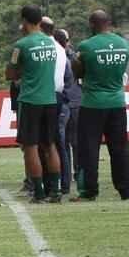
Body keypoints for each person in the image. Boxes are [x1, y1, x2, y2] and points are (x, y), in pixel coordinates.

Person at [72, 10, 129, 202]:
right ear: (109, 23)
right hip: (117, 101)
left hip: (92, 103)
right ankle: (125, 190)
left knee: (89, 149)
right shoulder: (124, 45)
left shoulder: (86, 46)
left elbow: (78, 72)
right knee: (120, 148)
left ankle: (89, 191)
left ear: (92, 24)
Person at [5, 6, 61, 203]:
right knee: (50, 146)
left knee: (30, 147)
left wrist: (22, 71)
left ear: (24, 21)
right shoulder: (51, 43)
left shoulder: (21, 45)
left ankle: (37, 192)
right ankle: (55, 191)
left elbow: (10, 74)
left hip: (30, 100)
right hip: (50, 99)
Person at [47, 26, 79, 196]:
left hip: (63, 103)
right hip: (69, 103)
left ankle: (62, 182)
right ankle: (67, 181)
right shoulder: (69, 56)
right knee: (66, 145)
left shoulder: (63, 56)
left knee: (62, 144)